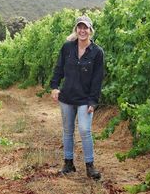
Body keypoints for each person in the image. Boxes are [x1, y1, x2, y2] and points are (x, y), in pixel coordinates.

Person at [50, 15, 104, 180]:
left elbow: (97, 79)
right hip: (66, 97)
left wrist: (93, 101)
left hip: (85, 99)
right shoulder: (67, 48)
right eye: (79, 27)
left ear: (90, 30)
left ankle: (90, 166)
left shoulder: (97, 52)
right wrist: (54, 86)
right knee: (67, 130)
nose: (82, 30)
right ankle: (68, 164)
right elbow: (59, 68)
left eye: (85, 27)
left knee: (85, 130)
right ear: (76, 29)